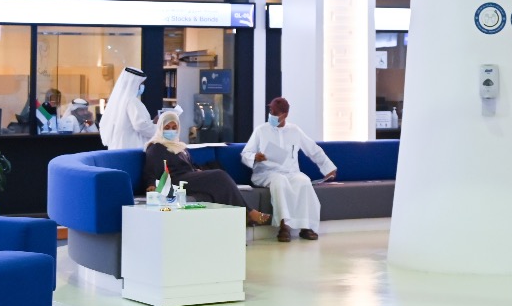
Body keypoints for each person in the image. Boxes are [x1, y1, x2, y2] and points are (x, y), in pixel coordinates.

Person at [142, 112, 270, 227]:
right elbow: (151, 169)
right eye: (167, 127)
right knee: (219, 175)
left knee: (218, 186)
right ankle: (248, 212)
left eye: (174, 127)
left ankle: (236, 221)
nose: (171, 130)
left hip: (188, 177)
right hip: (175, 181)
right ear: (160, 128)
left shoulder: (180, 146)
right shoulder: (156, 147)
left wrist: (197, 171)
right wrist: (151, 184)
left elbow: (189, 165)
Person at [241, 97, 336, 242]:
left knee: (304, 181)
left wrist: (328, 168)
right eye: (270, 111)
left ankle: (306, 226)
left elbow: (313, 150)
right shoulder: (261, 130)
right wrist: (255, 157)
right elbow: (245, 154)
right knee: (280, 181)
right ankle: (284, 226)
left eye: (275, 113)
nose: (271, 115)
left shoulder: (294, 131)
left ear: (285, 114)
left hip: (291, 173)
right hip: (266, 173)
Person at [100, 68, 155, 150]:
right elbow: (141, 126)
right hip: (131, 148)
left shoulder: (117, 100)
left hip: (117, 148)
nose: (142, 86)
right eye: (141, 83)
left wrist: (152, 123)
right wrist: (160, 128)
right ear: (134, 84)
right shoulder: (132, 101)